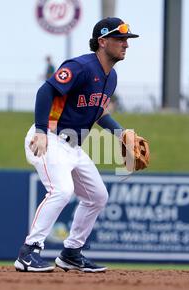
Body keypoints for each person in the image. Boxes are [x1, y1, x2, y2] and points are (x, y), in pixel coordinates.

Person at [14, 17, 140, 273]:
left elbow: (99, 113)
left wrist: (121, 133)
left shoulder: (111, 77)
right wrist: (39, 130)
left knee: (97, 196)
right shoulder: (81, 66)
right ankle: (28, 252)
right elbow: (45, 92)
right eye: (119, 39)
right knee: (61, 190)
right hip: (48, 137)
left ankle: (71, 252)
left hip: (72, 147)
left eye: (127, 40)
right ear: (102, 42)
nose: (125, 44)